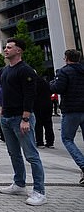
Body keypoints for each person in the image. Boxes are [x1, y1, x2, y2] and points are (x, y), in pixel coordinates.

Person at [0, 38, 46, 206]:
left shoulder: (26, 70)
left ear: (18, 51)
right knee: (14, 154)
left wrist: (25, 118)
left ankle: (39, 191)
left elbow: (30, 95)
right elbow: (5, 92)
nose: (6, 50)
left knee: (31, 155)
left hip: (21, 118)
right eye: (6, 47)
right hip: (7, 118)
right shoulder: (5, 70)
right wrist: (2, 110)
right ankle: (19, 184)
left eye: (9, 47)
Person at [49, 49, 84, 185]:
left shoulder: (64, 71)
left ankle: (82, 164)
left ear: (67, 58)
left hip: (71, 109)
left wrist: (51, 84)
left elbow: (58, 88)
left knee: (67, 139)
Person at [34, 76, 54, 149]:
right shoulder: (45, 82)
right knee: (48, 123)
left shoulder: (33, 83)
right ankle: (50, 142)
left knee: (38, 124)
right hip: (48, 104)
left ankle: (40, 142)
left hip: (37, 105)